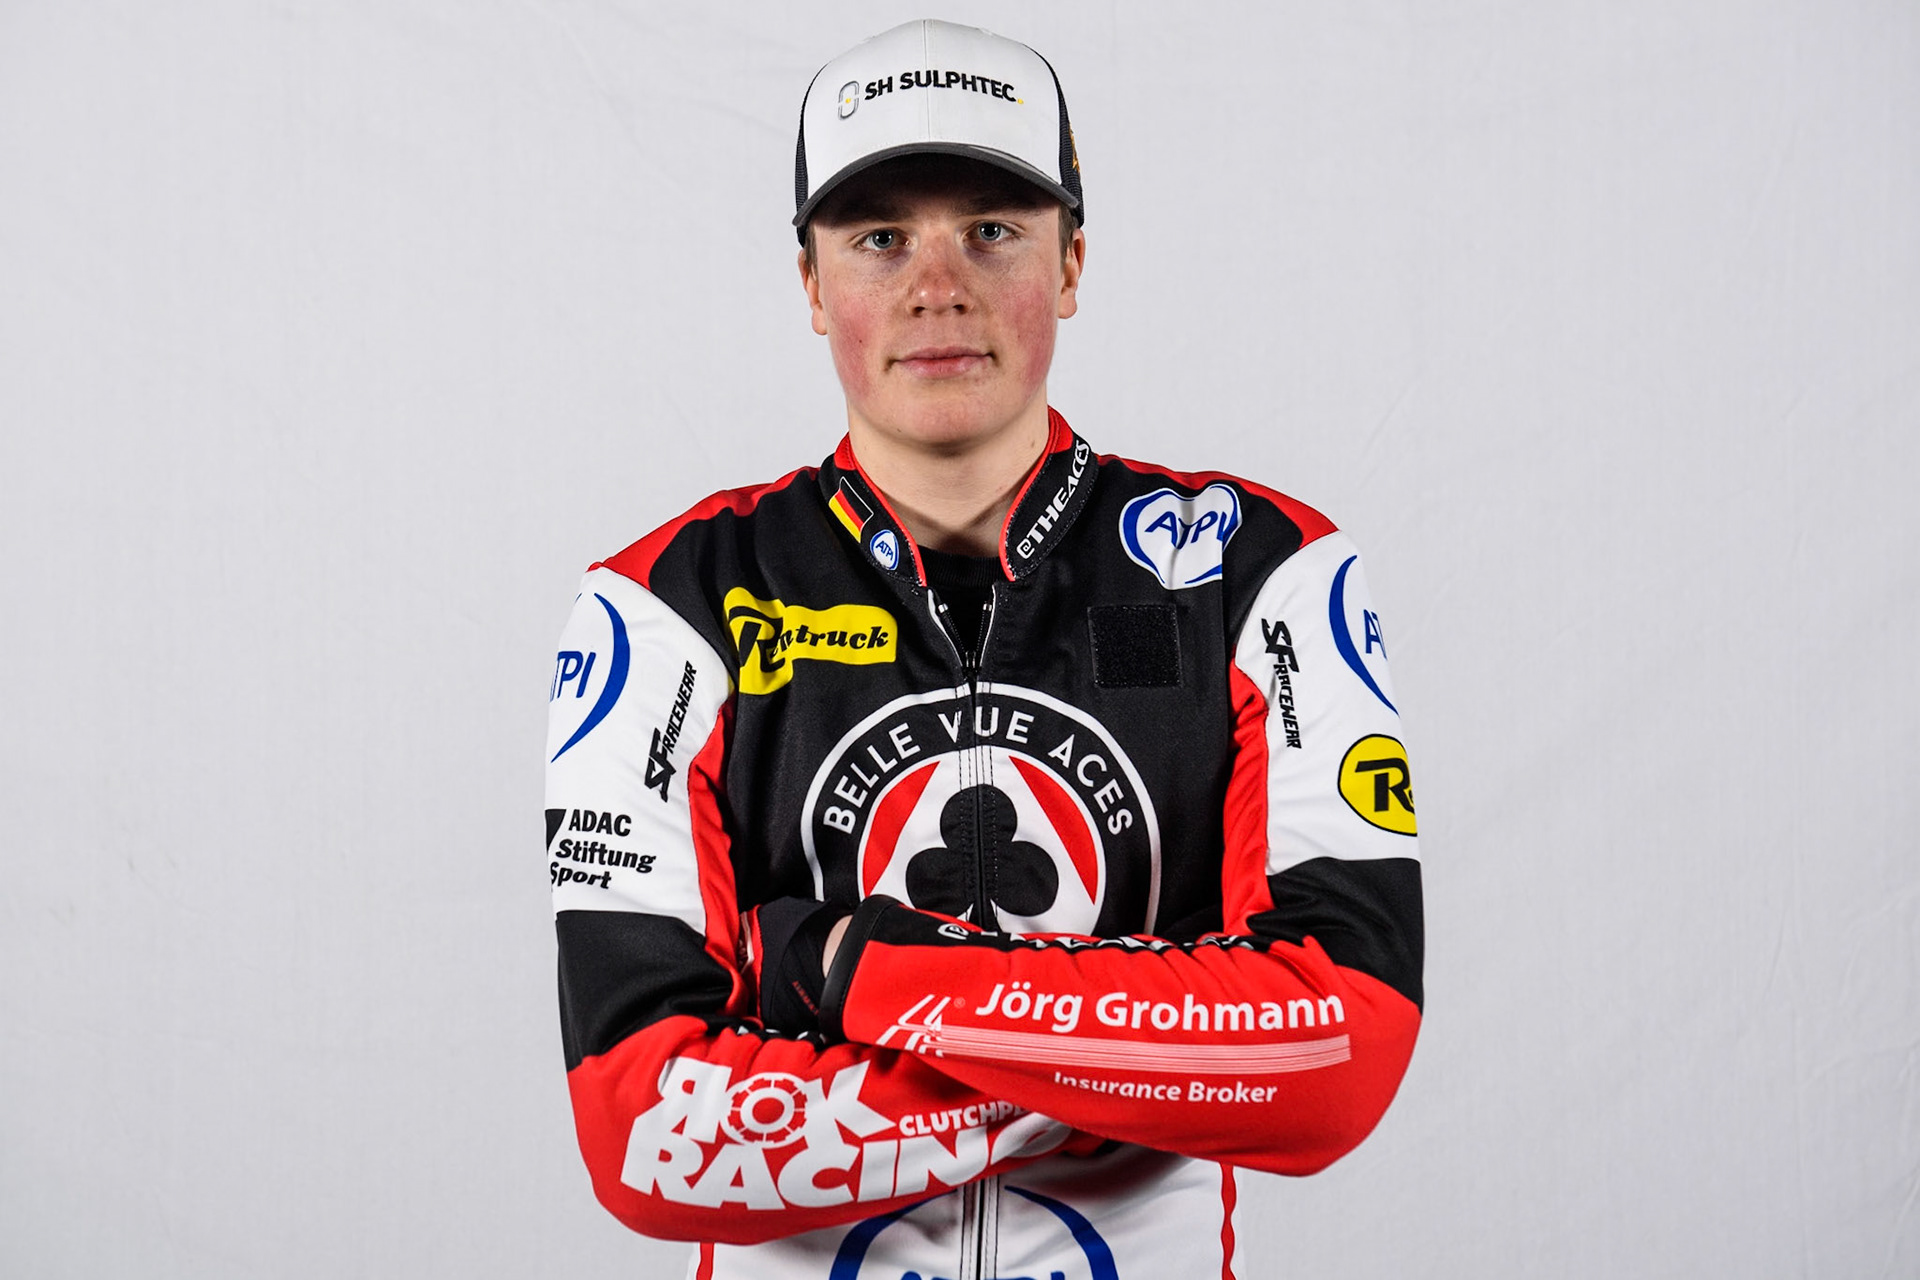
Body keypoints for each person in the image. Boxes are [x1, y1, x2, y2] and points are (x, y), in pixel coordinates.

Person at [544, 18, 1423, 1279]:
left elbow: (1339, 1052)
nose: (936, 284)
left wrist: (845, 965)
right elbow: (643, 1131)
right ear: (811, 284)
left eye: (994, 230)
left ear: (1072, 262)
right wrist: (1143, 1053)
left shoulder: (1264, 571)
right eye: (881, 236)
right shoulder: (662, 605)